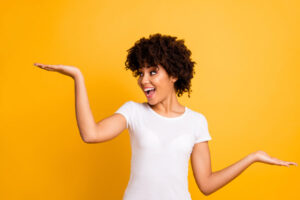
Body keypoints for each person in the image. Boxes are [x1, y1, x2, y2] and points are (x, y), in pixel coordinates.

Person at [34, 33, 298, 199]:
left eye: (152, 72)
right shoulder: (133, 112)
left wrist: (253, 157)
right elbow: (90, 134)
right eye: (140, 72)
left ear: (173, 75)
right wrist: (77, 77)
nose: (143, 80)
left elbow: (205, 184)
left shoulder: (196, 122)